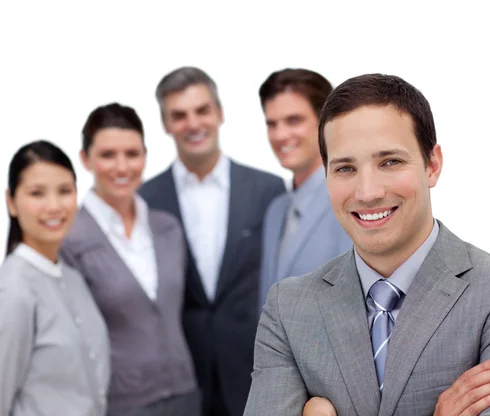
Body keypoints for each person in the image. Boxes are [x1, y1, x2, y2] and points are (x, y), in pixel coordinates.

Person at [244, 74, 490, 416]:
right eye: (345, 168)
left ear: (432, 165)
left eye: (390, 162)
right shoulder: (287, 308)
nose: (367, 192)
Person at [138, 66, 286, 416]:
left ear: (219, 114)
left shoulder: (268, 190)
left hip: (254, 371)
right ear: (165, 124)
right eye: (179, 115)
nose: (193, 124)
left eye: (202, 110)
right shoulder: (144, 200)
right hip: (181, 380)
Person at [60, 103, 199, 415]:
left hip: (185, 395)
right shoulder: (70, 239)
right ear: (86, 159)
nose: (122, 167)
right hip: (118, 403)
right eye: (108, 155)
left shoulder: (167, 228)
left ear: (145, 156)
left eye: (132, 154)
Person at [0, 140, 110, 415]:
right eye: (37, 193)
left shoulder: (73, 278)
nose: (54, 206)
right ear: (11, 202)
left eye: (64, 191)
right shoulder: (13, 290)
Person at [257, 68, 352, 308]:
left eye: (294, 121)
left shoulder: (353, 199)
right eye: (272, 124)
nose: (280, 135)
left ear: (325, 123)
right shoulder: (276, 210)